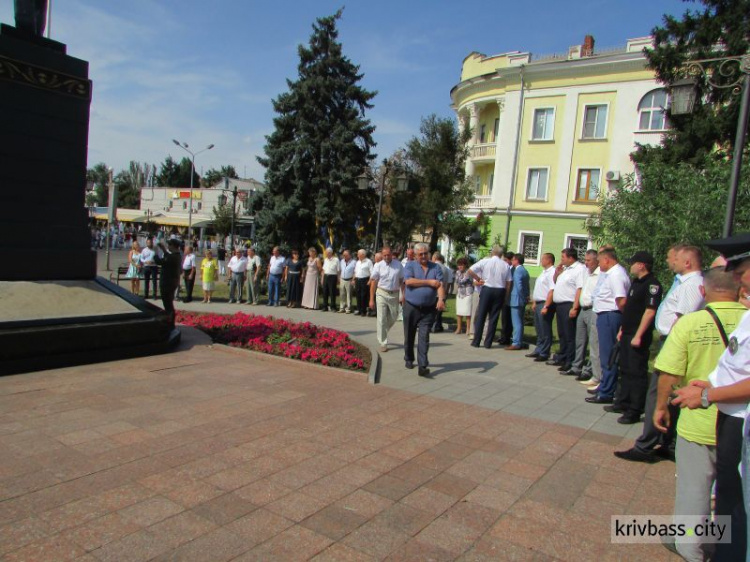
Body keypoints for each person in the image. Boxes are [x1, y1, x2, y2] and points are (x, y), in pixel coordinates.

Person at [653, 267, 745, 561]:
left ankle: (692, 549)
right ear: (738, 289)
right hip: (738, 424)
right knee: (731, 494)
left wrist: (661, 406)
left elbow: (669, 371)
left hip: (699, 418)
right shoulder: (745, 319)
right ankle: (725, 545)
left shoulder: (692, 322)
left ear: (703, 292)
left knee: (695, 491)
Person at [672, 234, 750, 562]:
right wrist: (711, 383)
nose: (734, 277)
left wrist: (707, 394)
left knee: (736, 500)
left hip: (739, 418)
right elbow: (738, 363)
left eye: (739, 268)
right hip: (731, 417)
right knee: (731, 496)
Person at [617, 245, 705, 462]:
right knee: (669, 394)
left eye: (672, 258)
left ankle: (645, 445)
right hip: (671, 341)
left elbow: (683, 320)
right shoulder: (685, 283)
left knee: (658, 393)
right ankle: (667, 442)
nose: (668, 261)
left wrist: (670, 352)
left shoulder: (692, 285)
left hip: (675, 343)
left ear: (687, 262)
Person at [607, 252, 662, 424]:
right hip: (628, 332)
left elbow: (650, 311)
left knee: (636, 372)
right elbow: (630, 309)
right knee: (625, 368)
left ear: (642, 265)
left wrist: (638, 335)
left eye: (633, 263)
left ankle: (634, 410)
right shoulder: (636, 283)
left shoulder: (652, 284)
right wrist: (623, 329)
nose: (630, 266)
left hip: (638, 335)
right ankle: (622, 402)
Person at [586, 247, 630, 405]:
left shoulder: (616, 275)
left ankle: (607, 392)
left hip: (611, 316)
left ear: (607, 260)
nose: (598, 264)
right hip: (604, 315)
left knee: (608, 356)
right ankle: (604, 385)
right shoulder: (611, 274)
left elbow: (621, 301)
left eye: (600, 261)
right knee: (604, 354)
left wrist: (624, 321)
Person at [403, 243, 445, 377]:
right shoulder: (410, 265)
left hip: (428, 309)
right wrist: (429, 282)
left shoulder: (436, 267)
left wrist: (441, 299)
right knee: (409, 335)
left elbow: (440, 285)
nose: (423, 256)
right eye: (420, 254)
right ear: (415, 255)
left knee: (424, 337)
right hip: (411, 306)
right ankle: (409, 358)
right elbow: (409, 282)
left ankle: (422, 365)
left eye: (425, 253)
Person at [467, 245, 513, 349]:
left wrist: (478, 279)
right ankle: (488, 342)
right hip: (500, 290)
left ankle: (476, 341)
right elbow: (509, 282)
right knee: (494, 317)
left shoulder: (485, 261)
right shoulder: (505, 265)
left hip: (487, 288)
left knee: (481, 316)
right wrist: (506, 295)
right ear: (501, 254)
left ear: (492, 253)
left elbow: (470, 270)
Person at [549, 248, 587, 371]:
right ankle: (562, 356)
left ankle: (570, 360)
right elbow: (556, 282)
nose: (561, 260)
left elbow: (579, 289)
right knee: (562, 333)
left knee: (569, 334)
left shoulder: (579, 269)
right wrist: (557, 272)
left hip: (569, 305)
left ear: (571, 258)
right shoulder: (565, 269)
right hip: (560, 305)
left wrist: (575, 307)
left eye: (563, 257)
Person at [568, 250, 601, 387]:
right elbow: (581, 289)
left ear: (596, 261)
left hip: (593, 309)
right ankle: (577, 366)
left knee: (593, 343)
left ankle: (590, 370)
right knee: (580, 339)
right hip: (583, 308)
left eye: (588, 261)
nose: (586, 263)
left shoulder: (600, 274)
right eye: (585, 260)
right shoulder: (586, 273)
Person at [369, 246, 404, 353]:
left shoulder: (398, 265)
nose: (386, 257)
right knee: (381, 318)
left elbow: (402, 281)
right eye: (384, 255)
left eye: (388, 255)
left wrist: (403, 295)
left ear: (391, 254)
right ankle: (383, 342)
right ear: (382, 255)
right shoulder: (378, 265)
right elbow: (373, 282)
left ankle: (382, 331)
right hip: (381, 293)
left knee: (394, 316)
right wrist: (371, 299)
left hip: (394, 294)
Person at [527, 253, 556, 362]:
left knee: (545, 329)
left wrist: (546, 306)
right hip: (538, 303)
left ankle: (544, 352)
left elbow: (551, 290)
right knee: (538, 328)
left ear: (548, 260)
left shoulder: (552, 272)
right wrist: (534, 302)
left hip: (545, 303)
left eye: (543, 259)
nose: (541, 260)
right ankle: (538, 349)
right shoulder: (544, 272)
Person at [154, 239, 182, 328]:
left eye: (169, 245)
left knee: (168, 304)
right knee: (168, 303)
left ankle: (170, 323)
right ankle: (170, 322)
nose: (168, 246)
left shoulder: (173, 257)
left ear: (173, 246)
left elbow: (160, 261)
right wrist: (164, 250)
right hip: (172, 282)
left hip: (167, 283)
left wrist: (155, 253)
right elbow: (168, 257)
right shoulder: (177, 256)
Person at [507, 253, 530, 350]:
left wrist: (523, 297)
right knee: (519, 321)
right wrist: (527, 296)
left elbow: (519, 286)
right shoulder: (524, 270)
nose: (512, 261)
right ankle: (519, 341)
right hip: (521, 299)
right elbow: (527, 285)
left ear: (517, 260)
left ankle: (516, 342)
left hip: (517, 299)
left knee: (516, 322)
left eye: (513, 260)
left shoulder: (517, 271)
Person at [498, 251, 516, 345]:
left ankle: (506, 337)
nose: (504, 261)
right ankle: (504, 336)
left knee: (508, 318)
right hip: (505, 296)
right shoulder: (508, 268)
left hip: (508, 297)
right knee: (504, 318)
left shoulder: (513, 269)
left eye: (506, 260)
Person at [430, 253, 450, 333]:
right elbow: (448, 281)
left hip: (435, 292)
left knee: (433, 311)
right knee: (439, 311)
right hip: (443, 292)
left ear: (434, 257)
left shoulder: (433, 266)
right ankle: (439, 326)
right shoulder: (446, 268)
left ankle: (433, 326)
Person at [454, 257, 473, 335]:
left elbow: (462, 281)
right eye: (459, 265)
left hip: (468, 294)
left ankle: (468, 329)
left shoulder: (469, 272)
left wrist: (459, 281)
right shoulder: (457, 272)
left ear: (465, 265)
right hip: (459, 294)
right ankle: (459, 328)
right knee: (459, 312)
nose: (460, 267)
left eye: (461, 265)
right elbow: (456, 280)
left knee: (468, 312)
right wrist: (459, 281)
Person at [354, 249, 373, 316]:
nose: (357, 255)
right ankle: (359, 309)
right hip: (357, 280)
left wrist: (370, 280)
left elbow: (372, 272)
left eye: (358, 254)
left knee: (364, 295)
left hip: (365, 280)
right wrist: (354, 279)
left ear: (363, 254)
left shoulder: (368, 262)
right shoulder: (358, 262)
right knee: (358, 295)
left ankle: (363, 310)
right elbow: (355, 271)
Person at [321, 248, 340, 312]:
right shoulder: (325, 259)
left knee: (332, 292)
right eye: (326, 252)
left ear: (331, 253)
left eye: (327, 252)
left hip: (333, 276)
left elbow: (338, 270)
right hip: (326, 276)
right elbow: (323, 270)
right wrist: (322, 278)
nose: (326, 253)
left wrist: (338, 279)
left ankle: (333, 307)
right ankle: (325, 306)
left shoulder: (336, 260)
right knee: (325, 292)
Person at [338, 249, 355, 314]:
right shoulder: (342, 261)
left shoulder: (354, 262)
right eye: (343, 254)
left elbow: (355, 272)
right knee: (342, 294)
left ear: (350, 255)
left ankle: (348, 308)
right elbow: (340, 270)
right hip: (342, 279)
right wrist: (339, 278)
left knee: (349, 295)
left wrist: (353, 279)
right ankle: (342, 307)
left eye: (346, 254)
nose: (344, 256)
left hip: (349, 280)